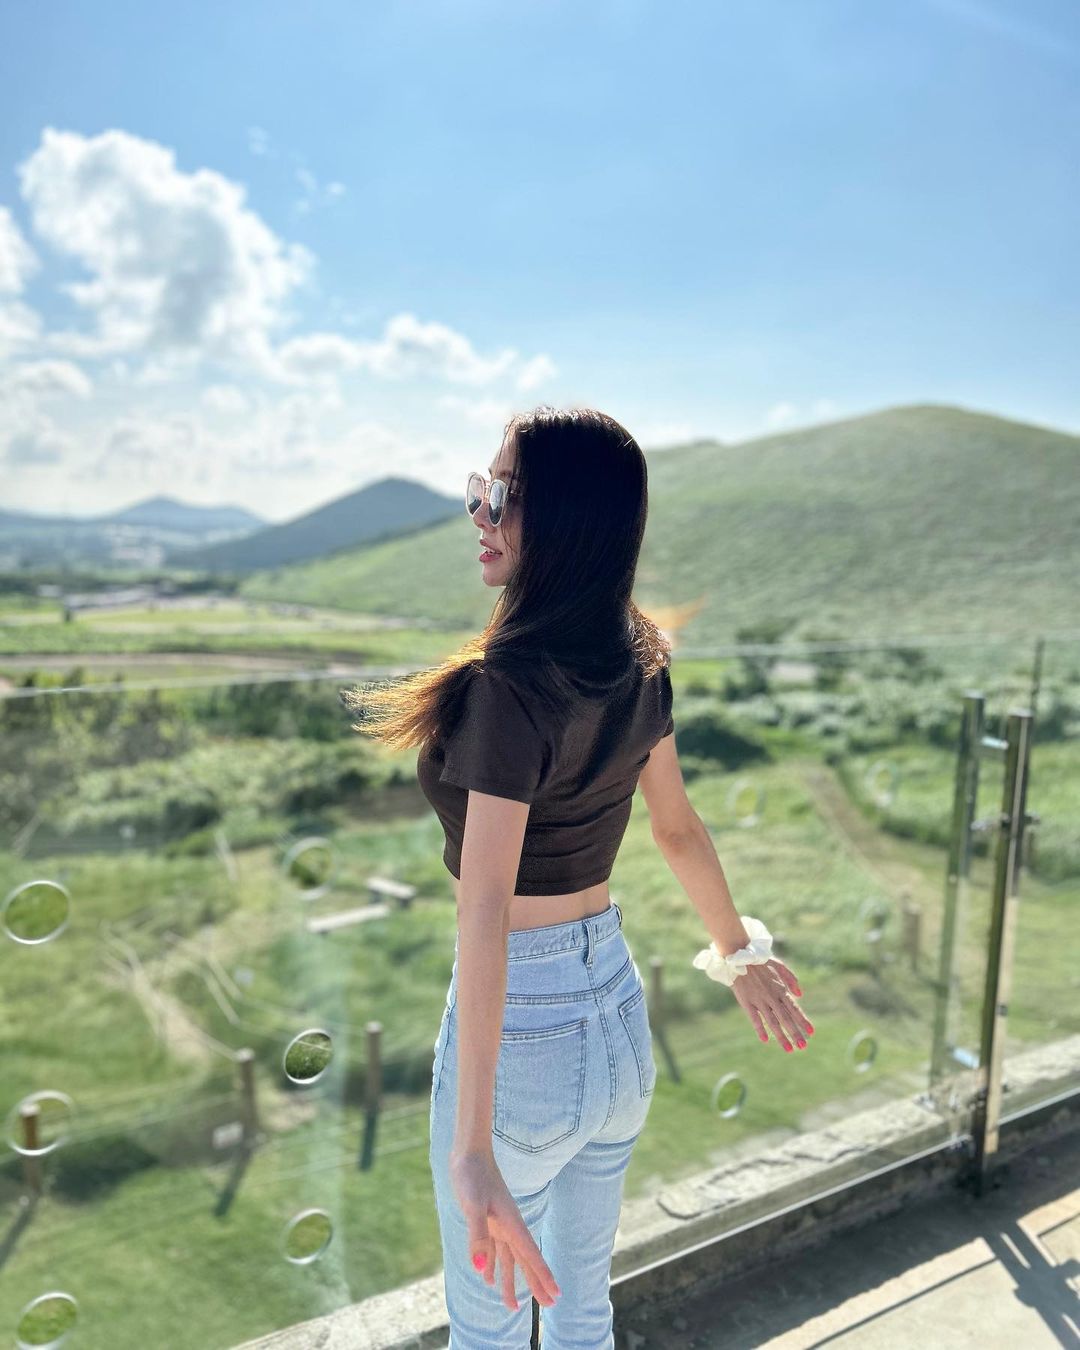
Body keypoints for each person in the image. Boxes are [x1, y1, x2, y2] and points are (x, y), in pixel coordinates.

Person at [344, 405, 812, 1348]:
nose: (479, 511)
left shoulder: (504, 689)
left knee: (487, 1330)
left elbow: (486, 911)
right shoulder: (641, 663)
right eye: (482, 488)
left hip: (526, 1040)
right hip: (617, 1023)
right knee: (580, 1308)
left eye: (504, 494)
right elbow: (676, 828)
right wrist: (738, 954)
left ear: (566, 521)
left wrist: (472, 1148)